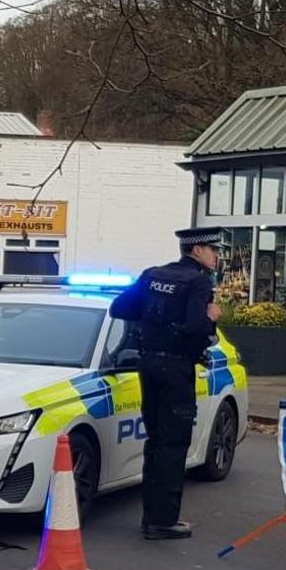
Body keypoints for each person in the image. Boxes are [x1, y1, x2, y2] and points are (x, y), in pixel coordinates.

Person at [111, 226, 222, 540]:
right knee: (173, 444)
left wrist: (153, 317)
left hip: (148, 365)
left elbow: (119, 308)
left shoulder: (152, 275)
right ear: (197, 250)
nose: (217, 256)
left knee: (156, 441)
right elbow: (195, 328)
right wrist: (211, 315)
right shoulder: (199, 281)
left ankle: (151, 516)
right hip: (175, 368)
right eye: (213, 250)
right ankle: (163, 520)